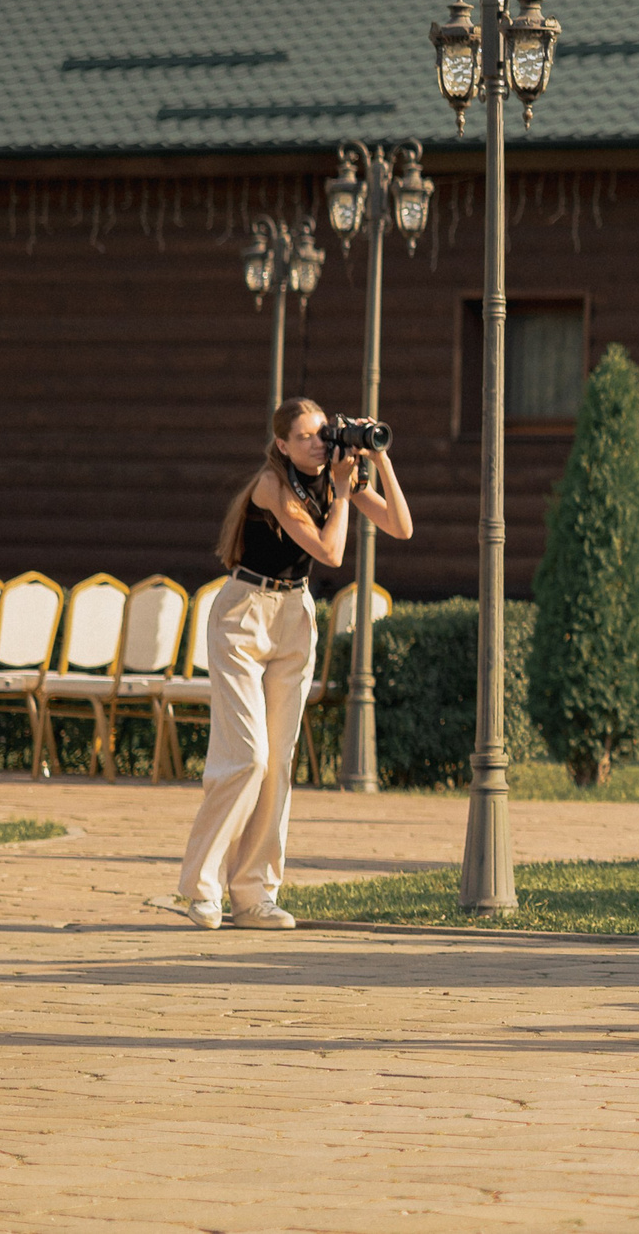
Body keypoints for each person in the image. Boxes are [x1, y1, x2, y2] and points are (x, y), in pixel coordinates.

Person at [178, 397, 412, 931]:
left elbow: (401, 527)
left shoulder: (337, 476)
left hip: (294, 615)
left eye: (322, 432)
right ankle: (201, 889)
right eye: (304, 436)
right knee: (247, 758)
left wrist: (379, 461)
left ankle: (254, 896)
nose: (317, 443)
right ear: (282, 444)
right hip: (243, 614)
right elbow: (330, 553)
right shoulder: (271, 485)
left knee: (278, 763)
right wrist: (344, 494)